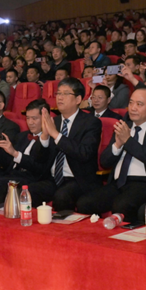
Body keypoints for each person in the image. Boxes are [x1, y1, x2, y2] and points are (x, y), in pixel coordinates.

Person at [77, 87, 146, 216]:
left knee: (122, 206)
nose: (133, 108)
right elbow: (105, 162)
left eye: (139, 104)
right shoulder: (123, 126)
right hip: (118, 183)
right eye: (131, 102)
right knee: (84, 203)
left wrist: (128, 140)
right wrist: (117, 144)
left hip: (145, 183)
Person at [28, 78, 102, 211]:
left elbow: (84, 153)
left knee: (62, 196)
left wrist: (56, 135)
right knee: (30, 191)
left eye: (65, 94)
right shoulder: (54, 122)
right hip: (53, 178)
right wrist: (44, 136)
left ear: (78, 99)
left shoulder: (91, 122)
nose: (60, 97)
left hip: (77, 179)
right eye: (58, 93)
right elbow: (38, 158)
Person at [0, 99, 50, 203]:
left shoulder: (49, 140)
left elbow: (39, 167)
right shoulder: (22, 136)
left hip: (32, 177)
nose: (30, 122)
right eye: (28, 118)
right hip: (11, 174)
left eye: (34, 118)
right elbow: (7, 162)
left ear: (45, 119)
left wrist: (15, 153)